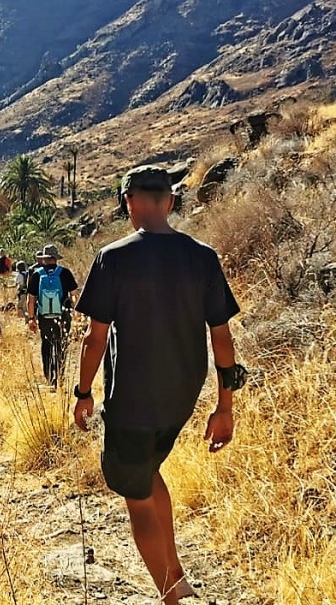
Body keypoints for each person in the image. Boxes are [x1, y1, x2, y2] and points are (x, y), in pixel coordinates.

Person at [71, 165, 244, 605]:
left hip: (132, 398)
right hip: (182, 396)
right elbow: (222, 338)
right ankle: (177, 574)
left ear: (129, 202)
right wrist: (225, 408)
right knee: (148, 474)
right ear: (169, 202)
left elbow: (95, 337)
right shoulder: (202, 256)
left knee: (134, 492)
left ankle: (171, 594)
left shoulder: (114, 257)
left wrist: (83, 392)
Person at [27, 244, 79, 386]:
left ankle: (50, 379)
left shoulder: (37, 274)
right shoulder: (65, 273)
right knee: (61, 345)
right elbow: (75, 295)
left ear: (44, 259)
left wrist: (31, 319)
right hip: (62, 316)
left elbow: (31, 300)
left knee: (47, 346)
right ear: (56, 258)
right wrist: (76, 314)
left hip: (44, 317)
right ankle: (60, 377)